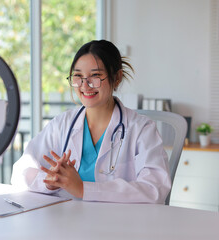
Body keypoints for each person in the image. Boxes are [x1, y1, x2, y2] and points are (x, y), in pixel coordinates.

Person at [11, 40, 171, 204]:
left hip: (120, 224)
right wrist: (50, 182)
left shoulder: (141, 129)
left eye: (95, 76)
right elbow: (20, 173)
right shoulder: (62, 125)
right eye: (78, 76)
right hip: (67, 222)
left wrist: (82, 189)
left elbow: (155, 189)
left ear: (117, 78)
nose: (85, 85)